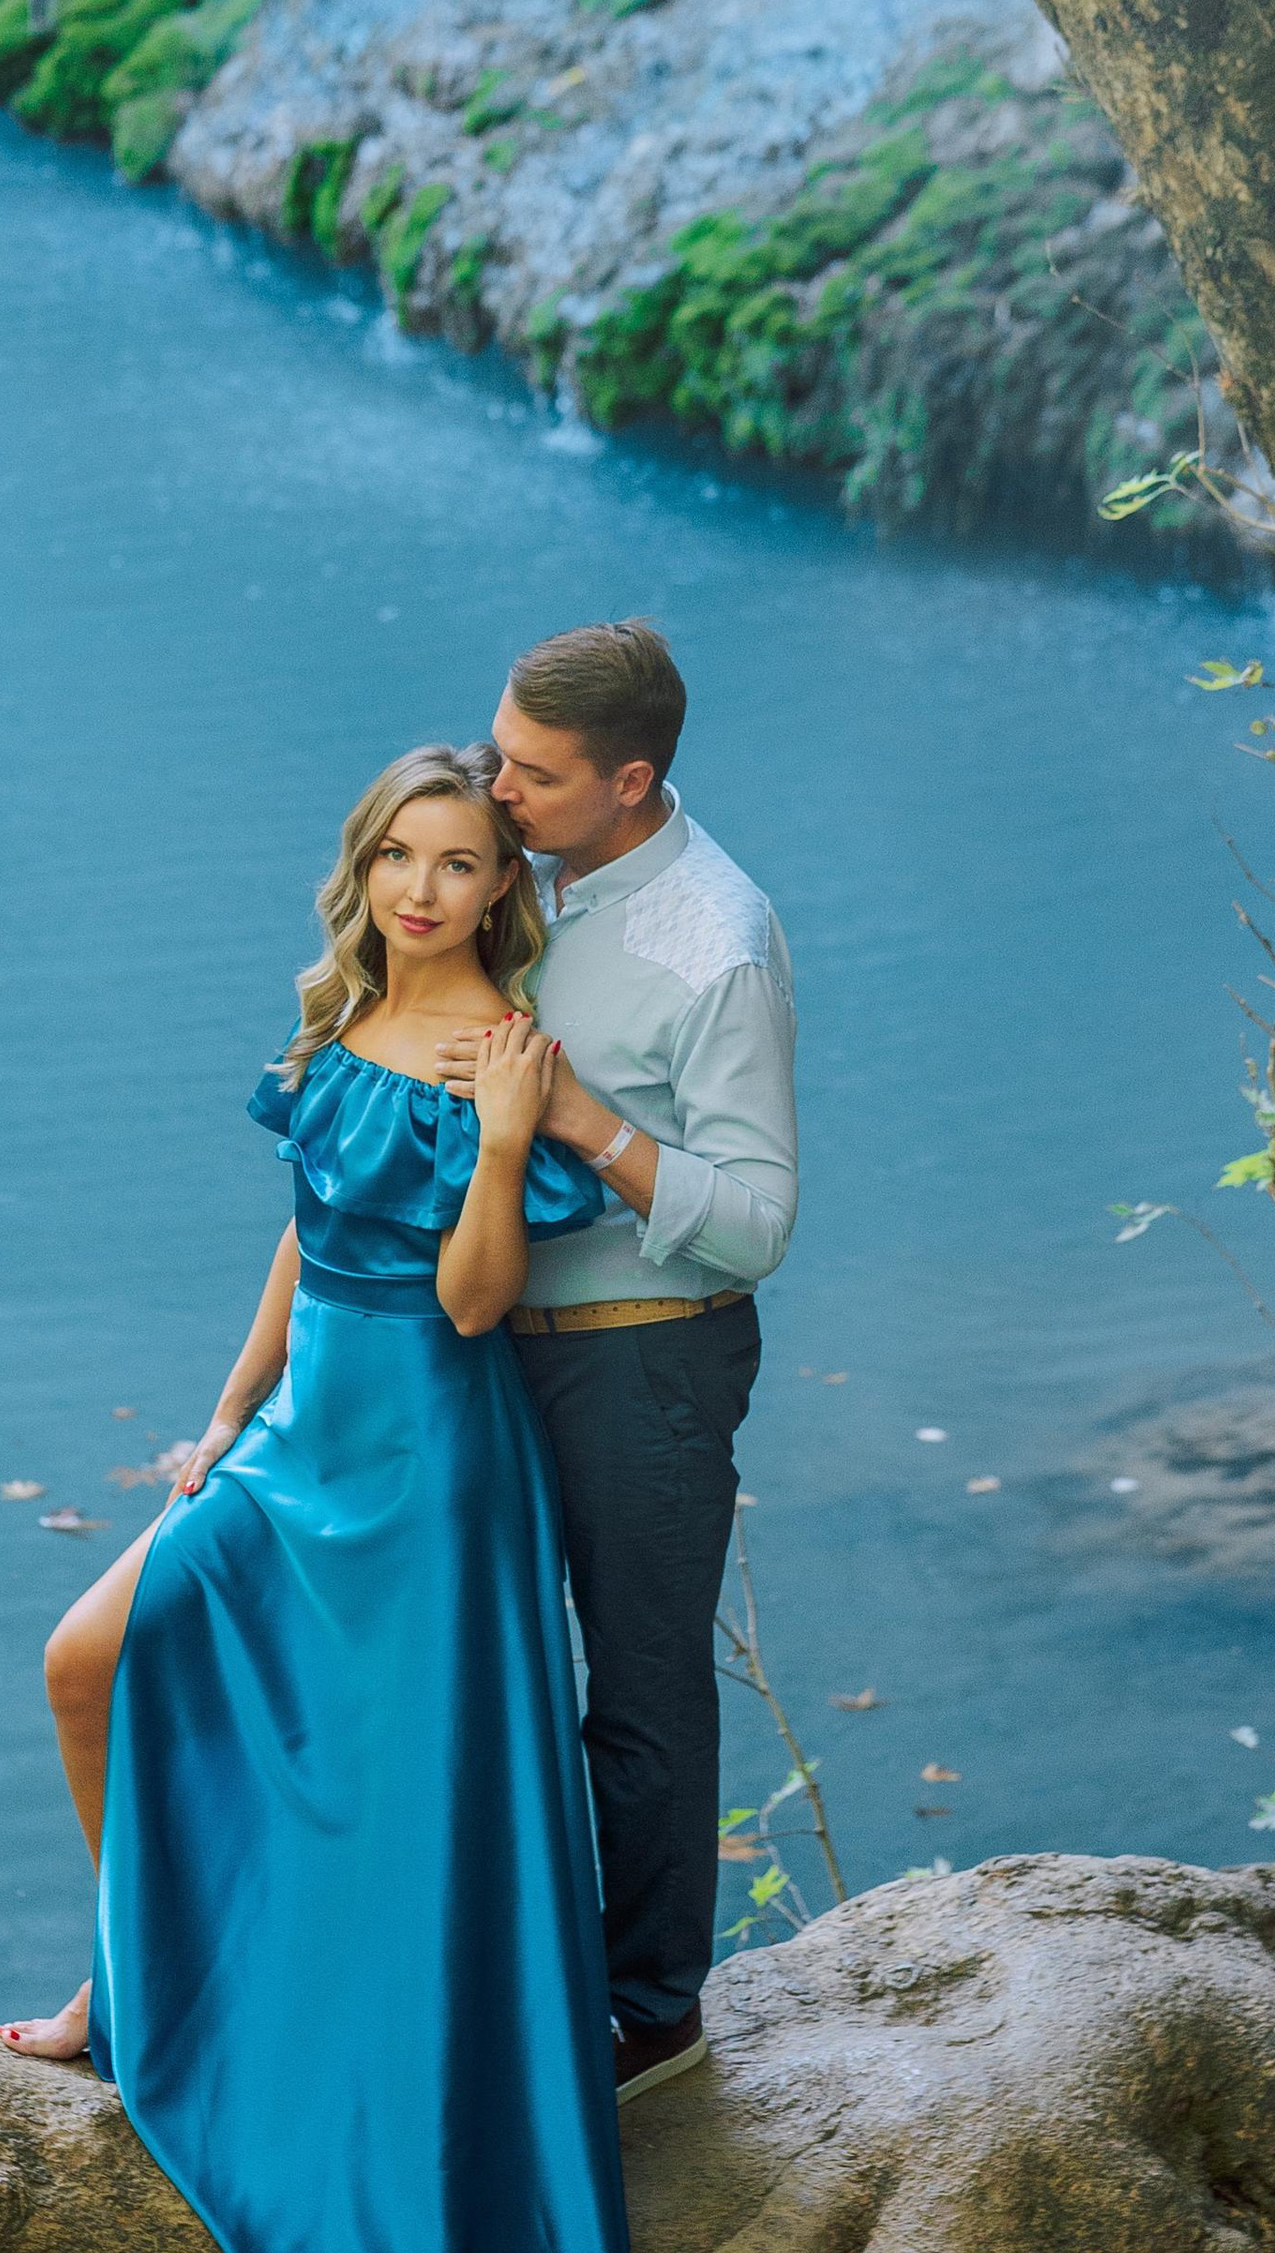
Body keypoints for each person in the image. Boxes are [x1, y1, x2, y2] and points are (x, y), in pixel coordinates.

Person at [1, 742, 632, 2253]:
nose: (424, 891)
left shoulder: (503, 1049)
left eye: (461, 864)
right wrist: (227, 1413)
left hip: (431, 1470)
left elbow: (477, 1305)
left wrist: (497, 1148)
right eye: (399, 858)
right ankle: (136, 1972)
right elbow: (309, 1235)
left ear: (501, 889)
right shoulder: (349, 1017)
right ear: (363, 868)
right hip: (300, 1433)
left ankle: (364, 2107)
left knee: (402, 1807)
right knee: (86, 1662)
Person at [436, 619, 796, 2105]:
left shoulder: (720, 942)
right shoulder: (529, 883)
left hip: (648, 1364)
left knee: (638, 1696)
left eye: (528, 773)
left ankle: (650, 2019)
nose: (493, 788)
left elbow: (760, 1223)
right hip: (480, 1354)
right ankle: (500, 1983)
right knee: (477, 1676)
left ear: (630, 779)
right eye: (497, 754)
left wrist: (584, 1120)